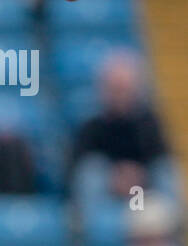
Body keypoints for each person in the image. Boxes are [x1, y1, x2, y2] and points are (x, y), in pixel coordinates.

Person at [70, 50, 178, 205]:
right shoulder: (91, 124)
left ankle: (171, 222)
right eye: (114, 89)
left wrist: (137, 174)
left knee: (165, 172)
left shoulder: (149, 122)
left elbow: (159, 155)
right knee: (91, 175)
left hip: (142, 187)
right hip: (107, 187)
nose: (119, 96)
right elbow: (79, 162)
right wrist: (116, 176)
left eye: (123, 89)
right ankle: (93, 226)